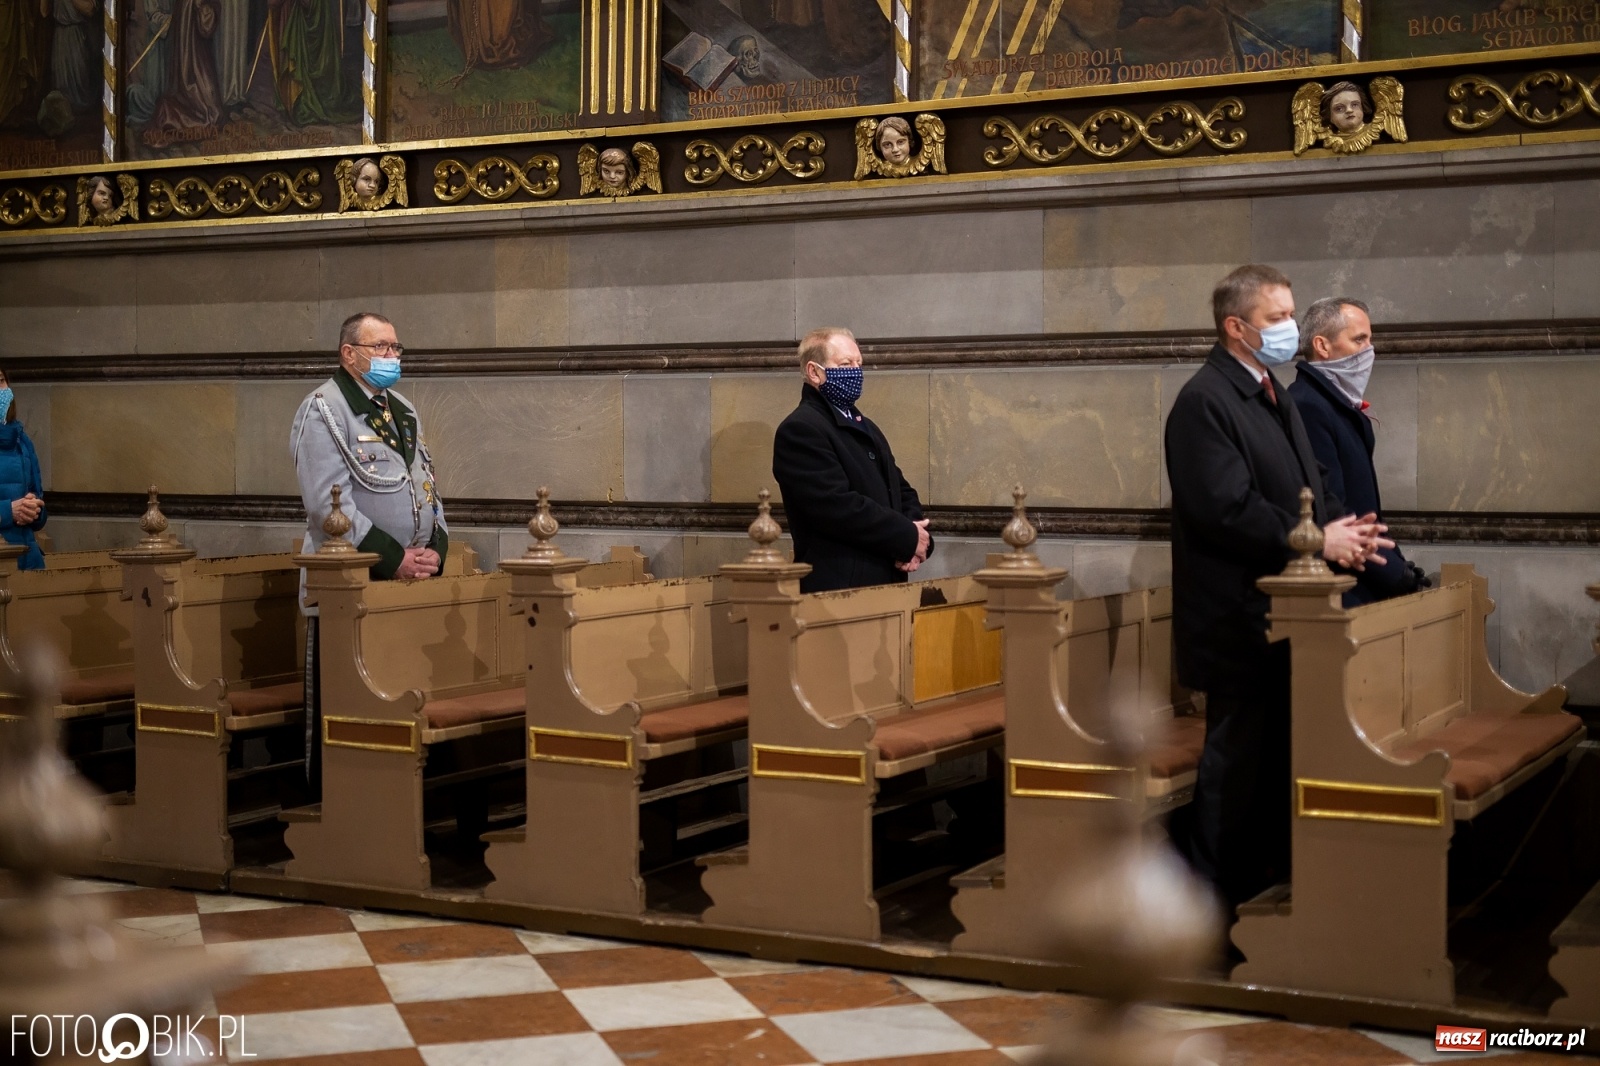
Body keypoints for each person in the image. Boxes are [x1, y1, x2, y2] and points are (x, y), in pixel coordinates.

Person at [1165, 265, 1391, 912]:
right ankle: (1207, 910)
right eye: (1276, 318)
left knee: (1268, 771)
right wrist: (1320, 541)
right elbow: (1225, 508)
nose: (1289, 328)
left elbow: (1309, 479)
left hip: (1287, 615)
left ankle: (1258, 897)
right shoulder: (1204, 402)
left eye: (1291, 314)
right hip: (1237, 618)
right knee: (1231, 771)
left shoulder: (1272, 391)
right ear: (1237, 327)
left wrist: (1336, 523)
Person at [290, 313, 448, 785]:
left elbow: (428, 488)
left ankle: (403, 796)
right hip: (351, 587)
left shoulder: (401, 408)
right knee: (348, 713)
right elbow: (325, 508)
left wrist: (435, 549)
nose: (391, 358)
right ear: (349, 354)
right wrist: (394, 558)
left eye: (396, 349)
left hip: (406, 589)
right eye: (381, 348)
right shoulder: (324, 409)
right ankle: (339, 801)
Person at [1289, 297, 1426, 608]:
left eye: (1370, 340)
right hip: (1344, 585)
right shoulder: (1308, 406)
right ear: (1322, 346)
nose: (1370, 350)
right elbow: (1335, 509)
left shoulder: (1334, 404)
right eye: (1359, 339)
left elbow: (1367, 507)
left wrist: (1397, 563)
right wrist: (1392, 574)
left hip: (1363, 576)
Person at [772, 327, 930, 593]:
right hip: (839, 587)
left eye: (859, 363)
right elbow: (836, 507)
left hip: (885, 580)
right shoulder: (801, 429)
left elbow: (901, 490)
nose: (856, 371)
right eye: (846, 364)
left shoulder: (866, 426)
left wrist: (917, 538)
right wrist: (906, 537)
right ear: (814, 372)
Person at [0, 368, 47, 571]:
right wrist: (9, 511)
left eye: (1, 381)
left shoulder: (23, 441)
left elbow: (39, 503)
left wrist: (34, 509)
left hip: (28, 559)